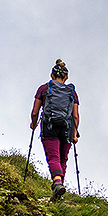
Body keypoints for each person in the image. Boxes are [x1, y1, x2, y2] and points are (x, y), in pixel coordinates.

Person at [30, 60, 80, 199]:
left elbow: (35, 112)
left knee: (53, 157)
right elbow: (75, 116)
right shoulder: (72, 93)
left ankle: (57, 183)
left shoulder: (44, 89)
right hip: (67, 128)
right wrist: (74, 134)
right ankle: (59, 187)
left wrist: (33, 124)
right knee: (63, 158)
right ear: (66, 77)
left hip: (49, 126)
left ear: (52, 75)